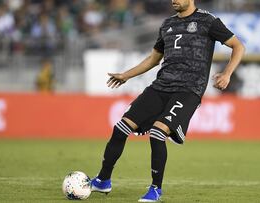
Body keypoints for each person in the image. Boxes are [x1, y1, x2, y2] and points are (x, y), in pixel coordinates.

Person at [90, 0, 245, 202]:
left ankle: (155, 189)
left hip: (188, 90)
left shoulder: (208, 21)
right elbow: (154, 58)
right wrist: (126, 75)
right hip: (160, 87)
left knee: (157, 133)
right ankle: (103, 180)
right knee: (120, 128)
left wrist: (227, 73)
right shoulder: (167, 24)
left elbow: (238, 46)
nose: (174, 0)